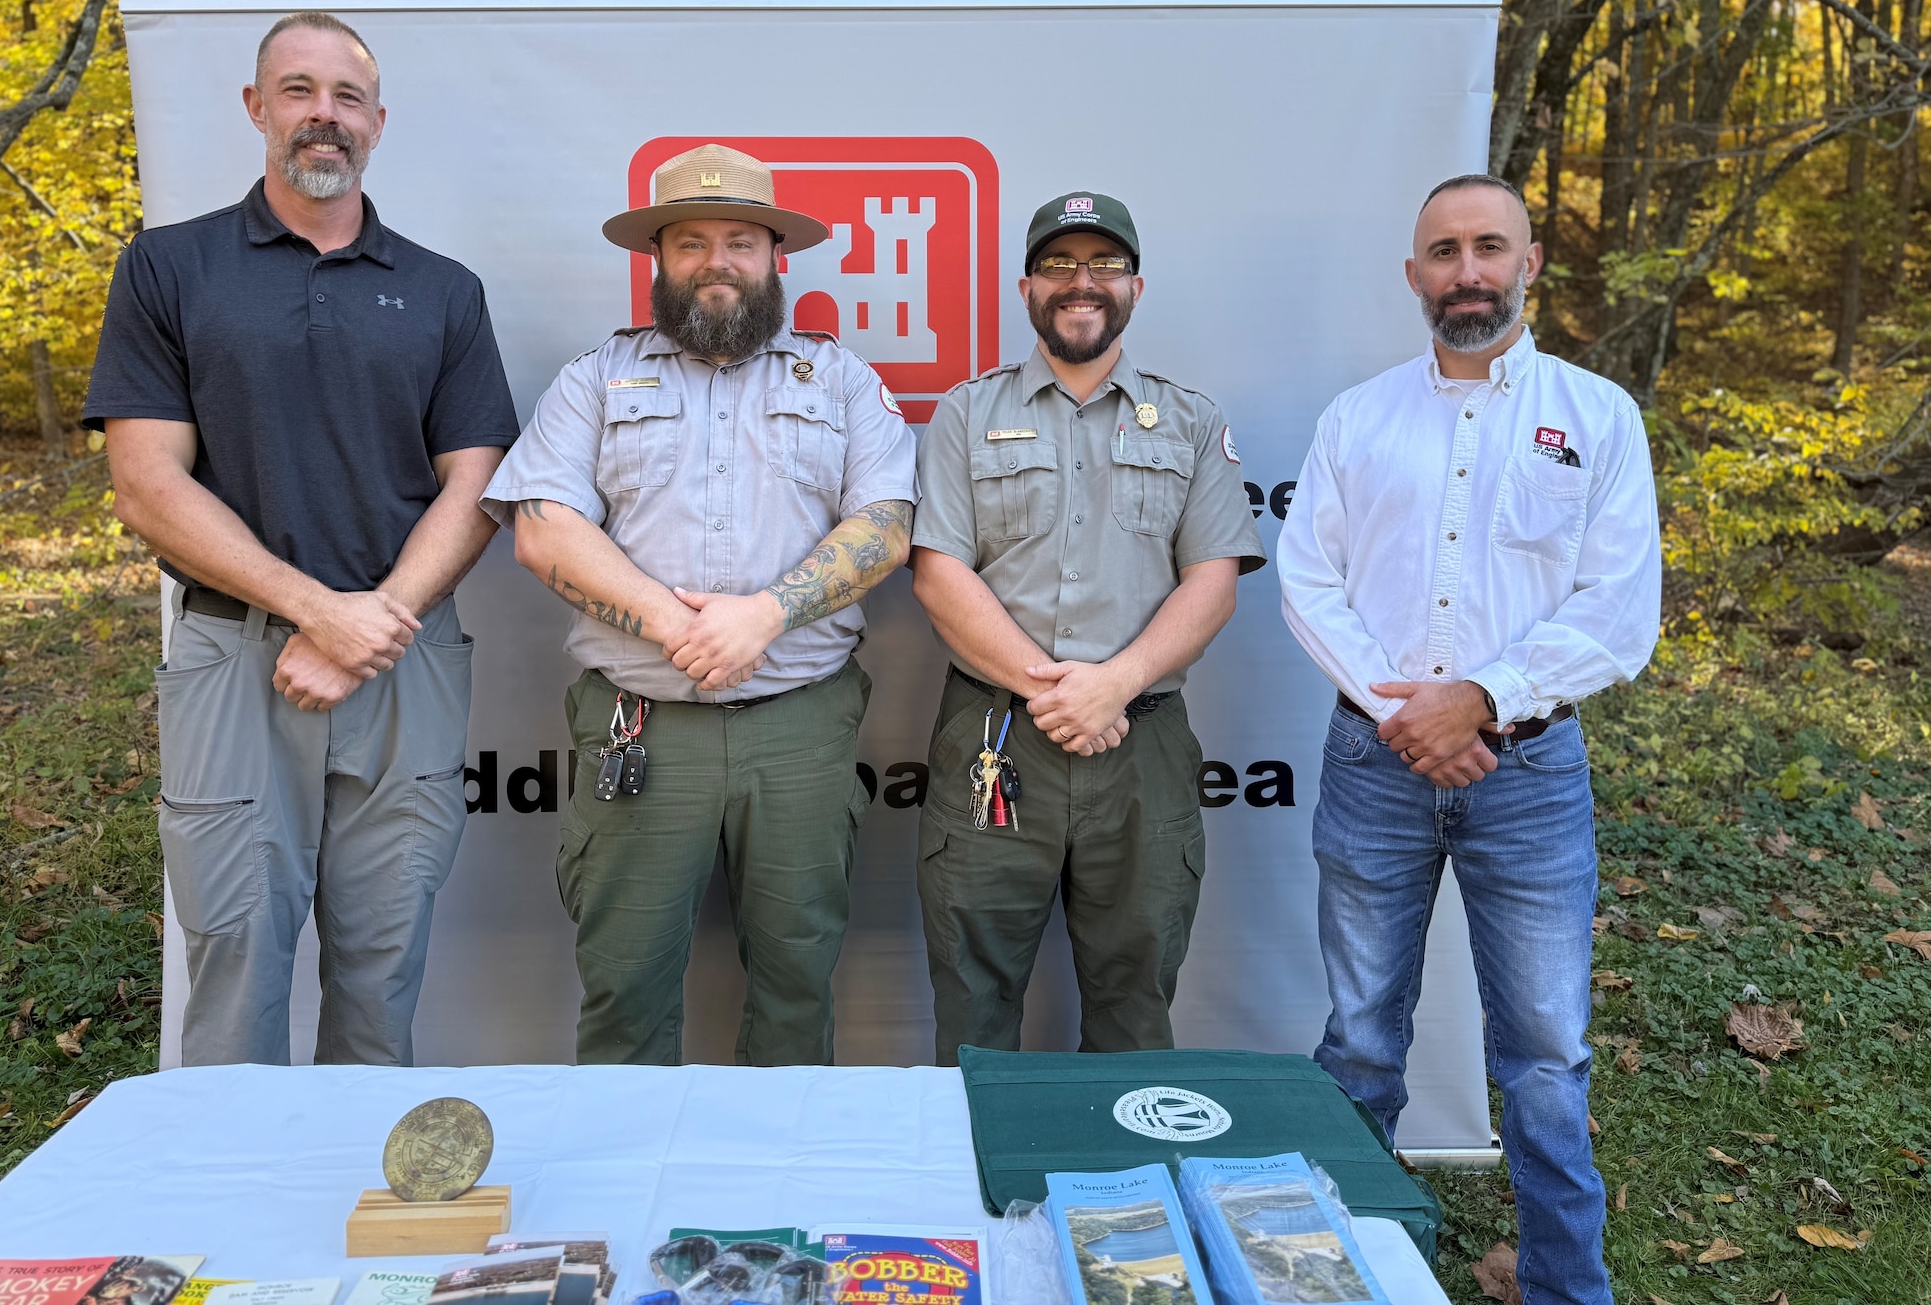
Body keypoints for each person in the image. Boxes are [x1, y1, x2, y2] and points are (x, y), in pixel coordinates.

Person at [85, 11, 519, 1065]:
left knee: (383, 966)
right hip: (235, 660)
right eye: (297, 90)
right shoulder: (170, 269)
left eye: (345, 96)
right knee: (234, 957)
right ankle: (231, 1211)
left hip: (402, 656)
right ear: (254, 107)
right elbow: (146, 486)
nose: (323, 115)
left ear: (377, 122)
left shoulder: (441, 288)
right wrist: (317, 612)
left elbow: (481, 479)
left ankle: (362, 1219)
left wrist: (377, 621)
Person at [1277, 174, 1661, 1305]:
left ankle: (1563, 1289)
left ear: (1529, 262)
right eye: (1441, 253)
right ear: (1413, 276)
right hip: (1374, 764)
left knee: (1545, 1056)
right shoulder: (1357, 418)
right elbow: (1306, 581)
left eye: (1487, 247)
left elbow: (1616, 610)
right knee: (1355, 1041)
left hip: (1530, 772)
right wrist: (1412, 718)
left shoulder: (1596, 418)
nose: (1465, 272)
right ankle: (1340, 1279)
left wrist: (1480, 699)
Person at [481, 143, 918, 1065]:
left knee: (798, 983)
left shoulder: (841, 382)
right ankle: (631, 1195)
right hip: (642, 726)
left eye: (739, 241)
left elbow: (884, 528)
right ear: (657, 261)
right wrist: (681, 626)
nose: (716, 261)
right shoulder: (595, 380)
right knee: (625, 985)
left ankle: (780, 1197)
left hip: (798, 725)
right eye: (690, 243)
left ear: (775, 258)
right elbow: (543, 532)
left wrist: (762, 616)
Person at [909, 192, 1266, 1061]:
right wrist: (1055, 690)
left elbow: (1213, 581)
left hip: (1138, 743)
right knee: (973, 998)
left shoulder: (1190, 419)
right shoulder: (965, 412)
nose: (1083, 283)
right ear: (1027, 286)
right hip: (997, 736)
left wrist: (1113, 685)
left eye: (1104, 265)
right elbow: (937, 571)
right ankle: (974, 1192)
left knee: (1134, 999)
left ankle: (1122, 1193)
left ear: (1135, 288)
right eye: (1062, 265)